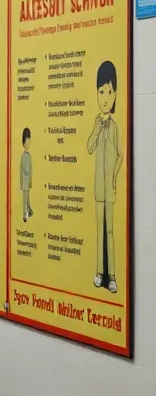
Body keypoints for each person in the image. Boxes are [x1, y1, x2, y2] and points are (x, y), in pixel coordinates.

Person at [88, 60, 122, 293]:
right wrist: (97, 128)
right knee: (100, 231)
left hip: (109, 188)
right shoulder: (97, 124)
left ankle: (113, 276)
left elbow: (120, 156)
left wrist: (113, 178)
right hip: (98, 189)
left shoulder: (117, 128)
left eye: (109, 91)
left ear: (115, 94)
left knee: (110, 230)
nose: (105, 97)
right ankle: (100, 272)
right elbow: (89, 146)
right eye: (101, 92)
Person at [19, 128, 33, 222]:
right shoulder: (23, 156)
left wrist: (31, 180)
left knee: (27, 197)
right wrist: (21, 182)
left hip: (27, 181)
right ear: (23, 144)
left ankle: (29, 210)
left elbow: (31, 169)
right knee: (25, 199)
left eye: (29, 142)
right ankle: (25, 215)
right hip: (24, 181)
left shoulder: (29, 155)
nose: (28, 144)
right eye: (27, 142)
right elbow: (23, 169)